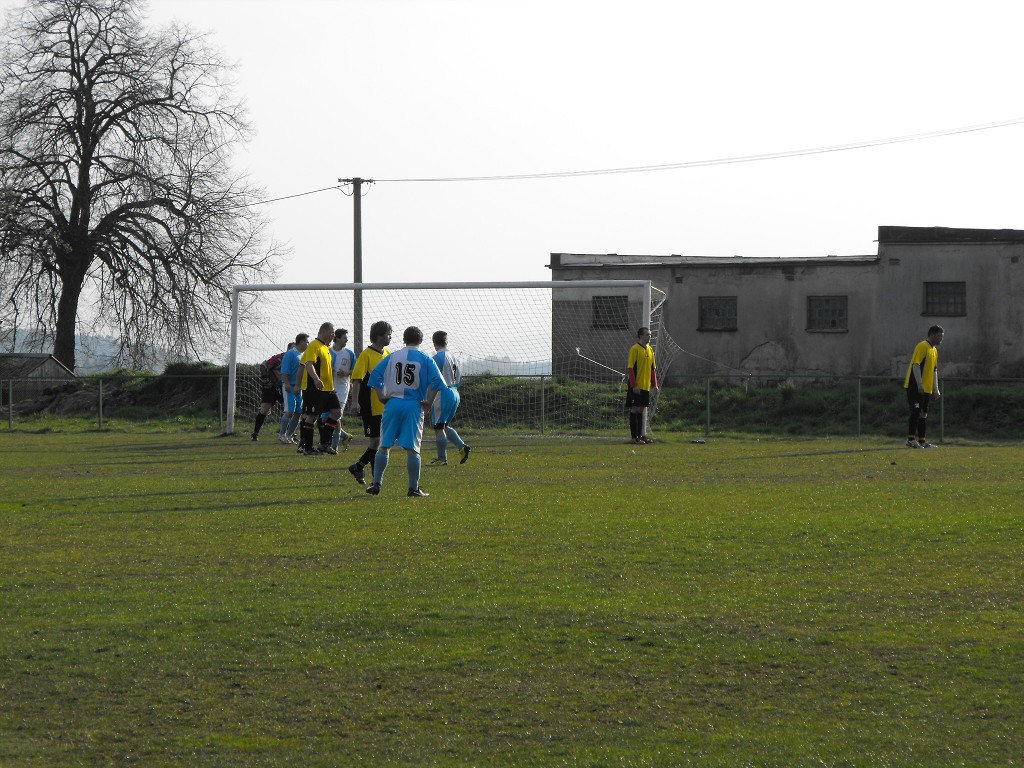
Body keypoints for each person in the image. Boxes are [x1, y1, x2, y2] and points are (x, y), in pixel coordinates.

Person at [365, 326, 448, 497]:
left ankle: (376, 483)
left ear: (403, 339)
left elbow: (375, 376)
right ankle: (413, 488)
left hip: (393, 403)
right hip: (413, 405)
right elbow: (438, 382)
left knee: (384, 445)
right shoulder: (425, 359)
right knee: (412, 448)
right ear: (421, 341)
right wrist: (429, 402)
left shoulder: (392, 356)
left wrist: (381, 395)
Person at [347, 320, 392, 483]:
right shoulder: (366, 355)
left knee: (380, 442)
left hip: (385, 404)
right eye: (388, 334)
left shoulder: (387, 353)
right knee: (376, 441)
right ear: (379, 336)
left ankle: (359, 467)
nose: (390, 337)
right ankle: (374, 478)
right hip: (370, 405)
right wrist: (355, 402)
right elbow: (357, 380)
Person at [297, 322, 341, 456]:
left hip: (328, 388)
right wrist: (316, 379)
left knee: (336, 413)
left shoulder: (325, 347)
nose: (334, 335)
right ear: (324, 331)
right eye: (332, 332)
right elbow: (308, 364)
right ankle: (307, 448)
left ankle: (323, 444)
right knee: (312, 416)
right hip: (314, 388)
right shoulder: (314, 346)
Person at [428, 330, 470, 465]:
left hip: (443, 393)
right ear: (446, 342)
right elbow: (459, 379)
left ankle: (442, 459)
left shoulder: (437, 358)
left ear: (434, 343)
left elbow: (434, 381)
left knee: (439, 427)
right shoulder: (455, 357)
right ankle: (462, 447)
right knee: (444, 425)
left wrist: (427, 399)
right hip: (455, 392)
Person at [904, 325, 944, 448]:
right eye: (939, 336)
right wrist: (919, 384)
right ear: (932, 334)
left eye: (942, 336)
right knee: (916, 411)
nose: (941, 338)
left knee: (923, 414)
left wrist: (936, 388)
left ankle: (922, 441)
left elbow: (934, 371)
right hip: (915, 386)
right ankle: (910, 439)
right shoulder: (922, 346)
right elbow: (916, 365)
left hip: (927, 388)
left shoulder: (934, 350)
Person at [324, 327, 357, 452]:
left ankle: (334, 446)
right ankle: (345, 436)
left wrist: (346, 372)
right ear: (336, 339)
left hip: (343, 388)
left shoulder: (350, 354)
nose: (347, 340)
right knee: (325, 418)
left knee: (335, 416)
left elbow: (355, 370)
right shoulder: (328, 351)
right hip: (328, 387)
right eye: (344, 338)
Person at [251, 343, 290, 441]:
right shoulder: (279, 358)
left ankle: (288, 434)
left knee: (290, 409)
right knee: (265, 408)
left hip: (285, 387)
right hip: (271, 387)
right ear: (288, 350)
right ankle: (255, 434)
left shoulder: (298, 359)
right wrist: (267, 381)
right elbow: (264, 365)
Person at [626, 326, 659, 445]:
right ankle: (634, 437)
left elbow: (652, 369)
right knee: (634, 409)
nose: (649, 336)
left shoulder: (650, 349)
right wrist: (634, 385)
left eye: (650, 334)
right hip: (637, 386)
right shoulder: (634, 349)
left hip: (646, 386)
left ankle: (640, 437)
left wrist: (655, 384)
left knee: (641, 410)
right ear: (641, 336)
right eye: (647, 335)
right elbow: (630, 368)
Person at [278, 333, 309, 444]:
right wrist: (286, 383)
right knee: (290, 410)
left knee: (298, 412)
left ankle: (290, 435)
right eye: (307, 342)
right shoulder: (290, 354)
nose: (308, 344)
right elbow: (284, 370)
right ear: (301, 342)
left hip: (298, 388)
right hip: (290, 387)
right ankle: (282, 435)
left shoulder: (302, 355)